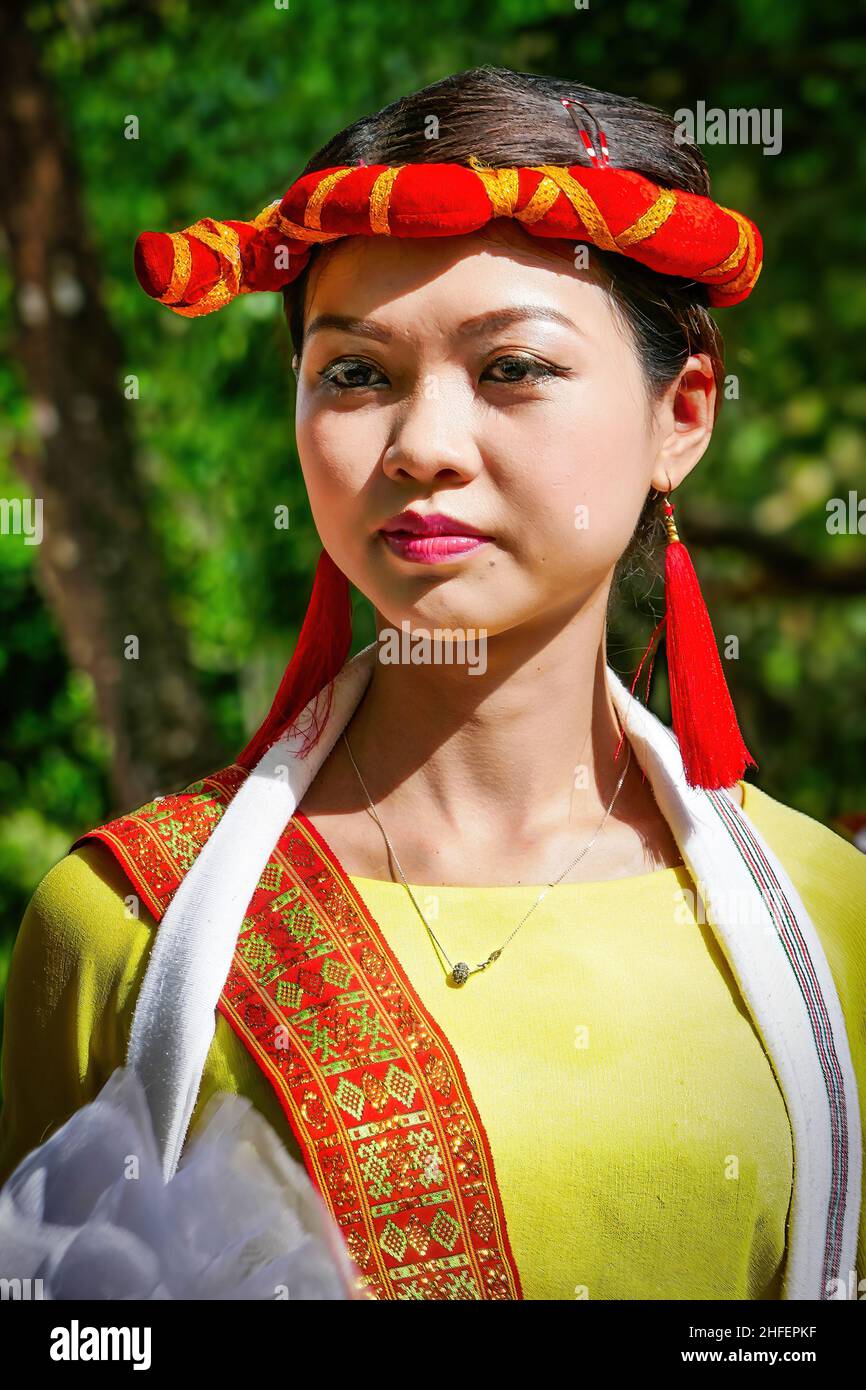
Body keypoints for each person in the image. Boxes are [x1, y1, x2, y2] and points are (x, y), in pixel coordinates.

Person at [1, 64, 864, 1302]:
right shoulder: (121, 932)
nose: (420, 446)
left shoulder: (840, 935)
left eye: (511, 367)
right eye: (355, 375)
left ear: (681, 412)